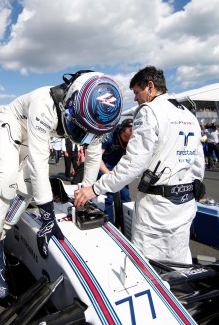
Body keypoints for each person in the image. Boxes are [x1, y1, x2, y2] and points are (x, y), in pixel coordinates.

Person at [0, 70, 123, 300]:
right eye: (82, 130)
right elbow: (38, 162)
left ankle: (0, 237)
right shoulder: (44, 104)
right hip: (15, 124)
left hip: (38, 135)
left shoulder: (96, 117)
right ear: (72, 102)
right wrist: (47, 215)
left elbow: (93, 157)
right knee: (6, 182)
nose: (85, 137)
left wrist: (85, 194)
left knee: (25, 188)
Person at [74, 66, 205, 264]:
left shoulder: (149, 111)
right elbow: (198, 162)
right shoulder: (188, 114)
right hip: (185, 202)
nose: (135, 98)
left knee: (149, 266)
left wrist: (95, 188)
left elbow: (134, 163)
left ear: (150, 87)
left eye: (136, 92)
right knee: (179, 261)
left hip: (157, 207)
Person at [98, 118, 133, 222]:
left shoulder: (134, 139)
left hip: (120, 167)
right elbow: (97, 158)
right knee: (109, 195)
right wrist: (107, 173)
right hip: (106, 165)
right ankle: (109, 222)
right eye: (126, 135)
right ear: (121, 130)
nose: (128, 139)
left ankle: (125, 222)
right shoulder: (109, 137)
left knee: (125, 195)